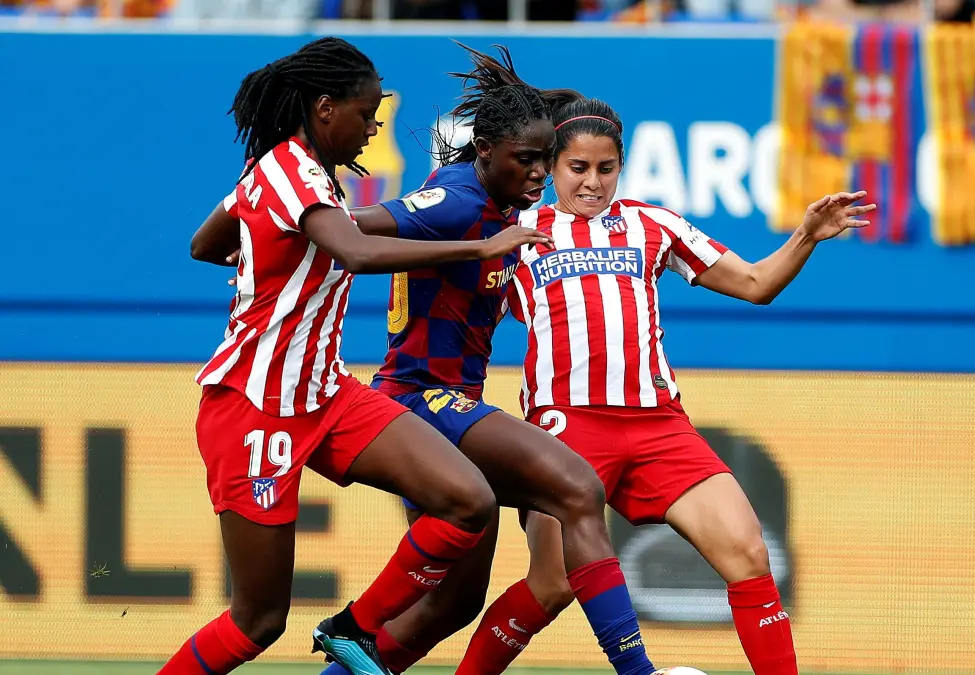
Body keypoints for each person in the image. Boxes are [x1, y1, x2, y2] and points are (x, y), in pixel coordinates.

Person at [369, 93, 875, 675]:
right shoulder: (515, 228)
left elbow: (757, 284)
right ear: (551, 166)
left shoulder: (653, 224)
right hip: (566, 428)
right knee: (552, 583)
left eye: (605, 168)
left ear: (621, 166)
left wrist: (806, 234)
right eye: (577, 167)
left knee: (749, 553)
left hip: (659, 425)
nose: (592, 182)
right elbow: (454, 300)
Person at [166, 37, 551, 675]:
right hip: (255, 406)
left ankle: (353, 629)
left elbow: (206, 245)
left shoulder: (297, 175)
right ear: (325, 109)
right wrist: (479, 248)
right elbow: (358, 253)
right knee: (258, 621)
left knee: (469, 499)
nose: (373, 128)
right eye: (366, 113)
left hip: (328, 393)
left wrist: (260, 252)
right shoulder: (291, 171)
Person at [285, 43, 658, 675]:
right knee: (578, 488)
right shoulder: (459, 203)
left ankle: (343, 658)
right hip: (419, 399)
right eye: (528, 159)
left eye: (545, 159)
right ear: (485, 150)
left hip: (448, 402)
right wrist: (274, 229)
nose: (540, 174)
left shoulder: (501, 207)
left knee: (454, 602)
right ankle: (637, 671)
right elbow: (354, 224)